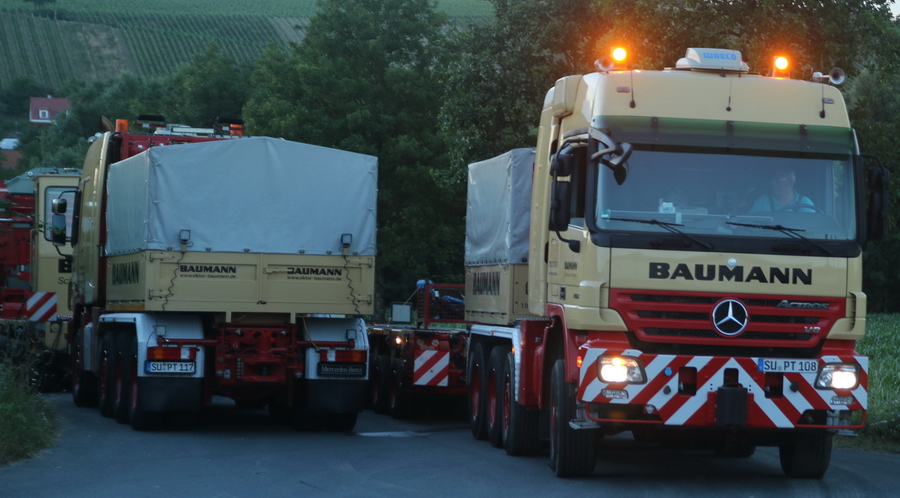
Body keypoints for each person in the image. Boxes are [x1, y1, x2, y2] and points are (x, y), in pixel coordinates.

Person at [749, 169, 815, 212]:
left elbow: (813, 229)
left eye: (778, 179)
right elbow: (748, 226)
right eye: (773, 180)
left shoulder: (805, 203)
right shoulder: (762, 202)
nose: (773, 183)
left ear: (791, 181)